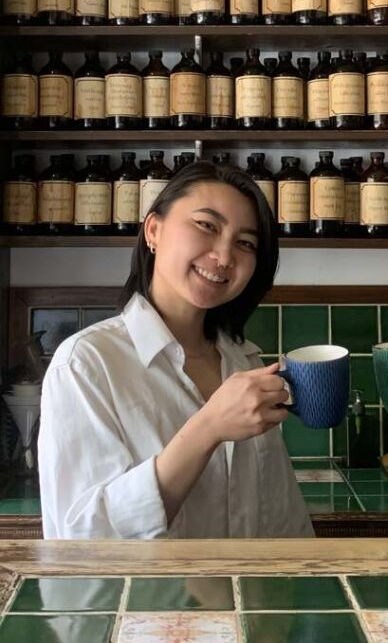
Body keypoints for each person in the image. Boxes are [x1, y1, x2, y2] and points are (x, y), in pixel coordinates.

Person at [38, 161, 311, 539]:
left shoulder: (244, 361)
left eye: (245, 243)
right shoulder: (86, 364)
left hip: (254, 597)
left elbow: (282, 518)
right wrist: (208, 427)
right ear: (154, 230)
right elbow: (82, 538)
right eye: (206, 226)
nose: (224, 256)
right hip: (147, 599)